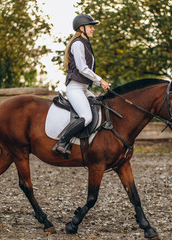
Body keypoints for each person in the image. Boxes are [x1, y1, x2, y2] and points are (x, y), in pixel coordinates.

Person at [53, 14, 110, 156]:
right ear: (81, 28)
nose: (93, 29)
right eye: (91, 26)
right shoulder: (78, 43)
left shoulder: (85, 44)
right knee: (87, 116)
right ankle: (62, 142)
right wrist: (100, 81)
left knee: (101, 107)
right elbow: (82, 68)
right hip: (75, 88)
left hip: (83, 89)